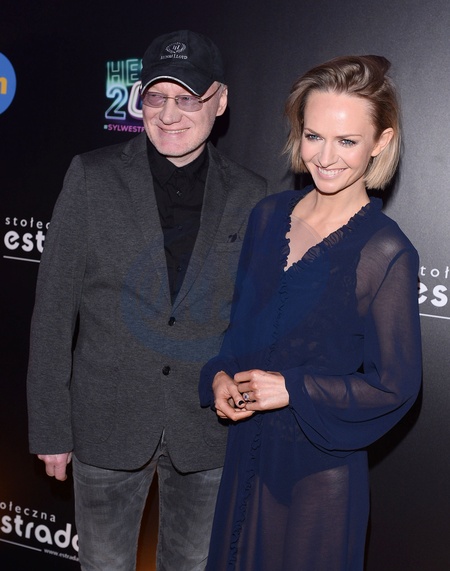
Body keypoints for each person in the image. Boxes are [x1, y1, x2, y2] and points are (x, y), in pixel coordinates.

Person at [27, 29, 268, 571]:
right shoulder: (91, 177)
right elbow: (53, 312)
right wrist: (50, 428)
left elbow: (254, 318)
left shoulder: (252, 193)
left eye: (188, 98)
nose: (169, 114)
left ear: (220, 102)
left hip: (208, 429)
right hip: (105, 421)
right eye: (156, 97)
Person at [199, 55, 422, 571]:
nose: (325, 157)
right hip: (246, 457)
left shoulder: (385, 252)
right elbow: (239, 333)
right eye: (313, 135)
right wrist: (219, 377)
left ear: (381, 142)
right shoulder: (267, 216)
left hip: (317, 480)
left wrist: (294, 389)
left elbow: (395, 387)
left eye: (347, 141)